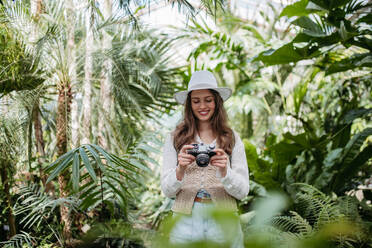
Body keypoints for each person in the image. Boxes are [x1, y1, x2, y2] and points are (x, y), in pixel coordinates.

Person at [161, 70, 249, 247]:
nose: (202, 106)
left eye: (208, 100)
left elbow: (243, 191)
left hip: (223, 219)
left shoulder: (231, 138)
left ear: (217, 102)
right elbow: (167, 190)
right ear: (189, 104)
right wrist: (180, 171)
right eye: (196, 101)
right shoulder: (175, 138)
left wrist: (225, 172)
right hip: (184, 220)